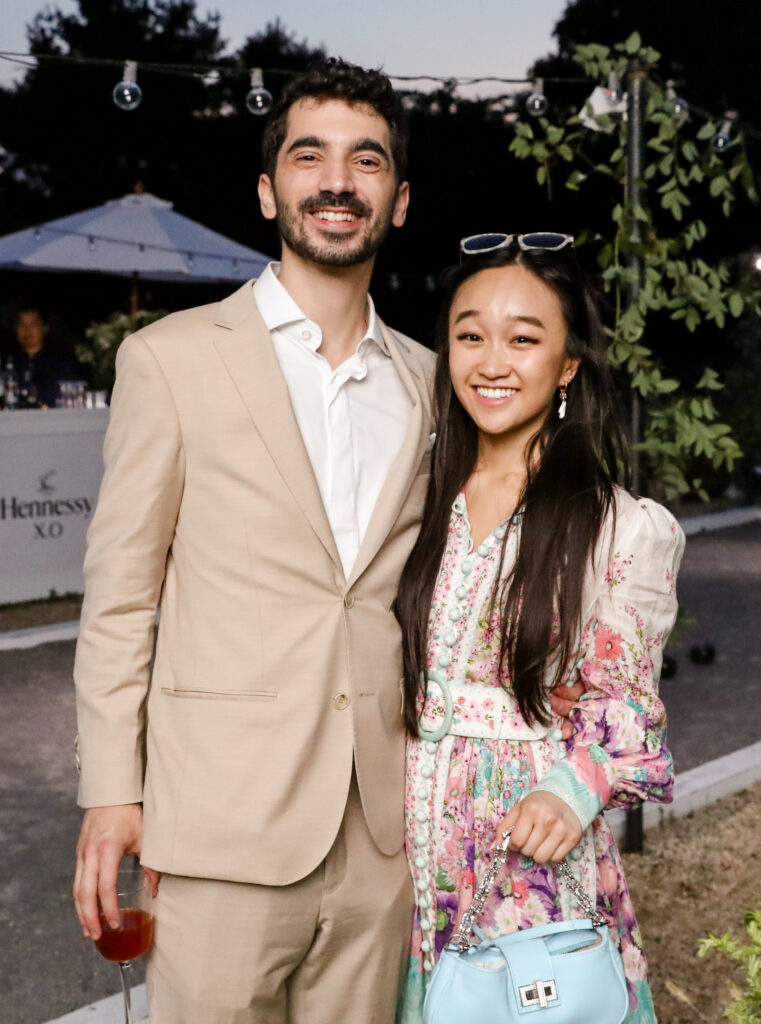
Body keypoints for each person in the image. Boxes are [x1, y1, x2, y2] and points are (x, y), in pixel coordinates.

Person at [72, 59, 435, 1024]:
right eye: (309, 156)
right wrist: (111, 794)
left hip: (381, 838)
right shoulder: (170, 360)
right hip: (220, 828)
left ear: (398, 201)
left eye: (367, 161)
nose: (337, 181)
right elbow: (121, 599)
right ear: (269, 190)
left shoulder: (431, 383)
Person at [394, 234, 685, 1023]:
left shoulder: (615, 527)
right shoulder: (411, 495)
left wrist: (570, 790)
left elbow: (627, 712)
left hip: (522, 857)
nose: (491, 361)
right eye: (469, 335)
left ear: (566, 365)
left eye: (522, 339)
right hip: (396, 847)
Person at [7, 307, 77, 407]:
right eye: (22, 325)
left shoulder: (59, 363)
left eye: (33, 325)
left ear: (44, 328)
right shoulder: (8, 363)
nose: (27, 330)